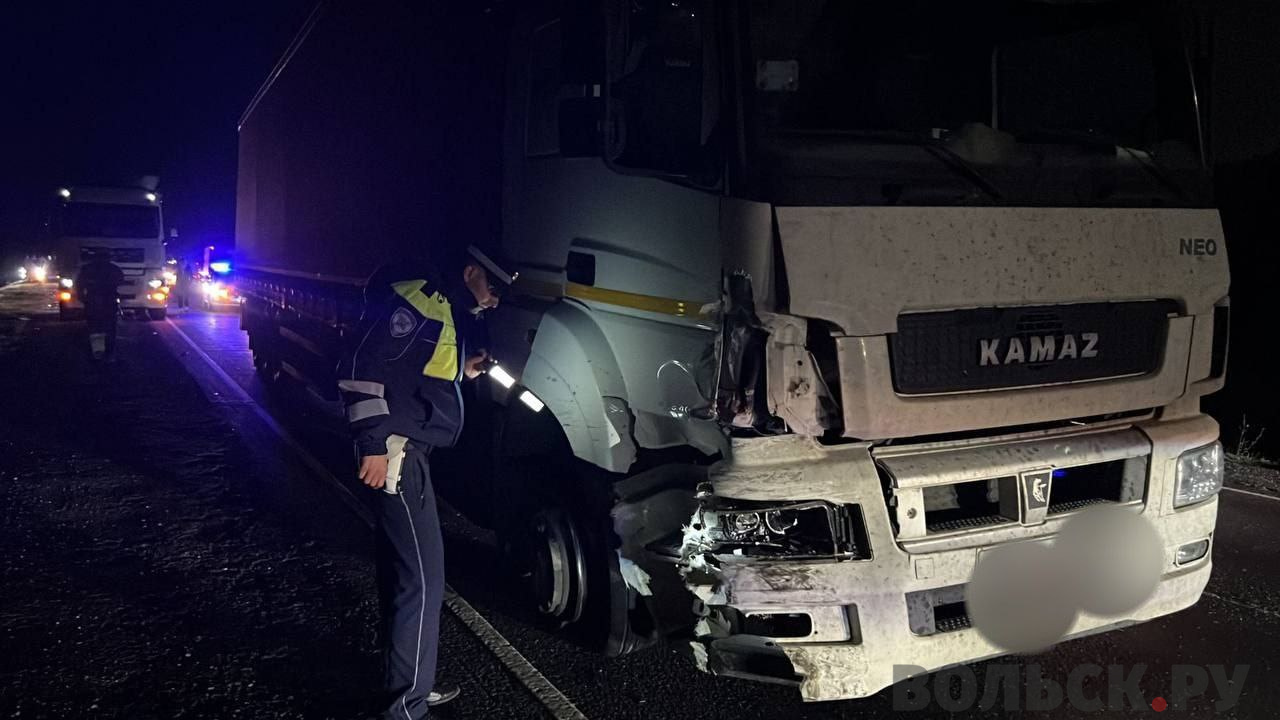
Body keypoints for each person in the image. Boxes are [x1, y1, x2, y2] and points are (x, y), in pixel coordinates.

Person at [337, 244, 515, 719]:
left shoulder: (441, 306)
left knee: (404, 574)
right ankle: (407, 706)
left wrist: (464, 369)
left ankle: (407, 683)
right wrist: (373, 445)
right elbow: (362, 369)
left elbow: (415, 369)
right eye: (491, 287)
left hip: (408, 450)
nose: (494, 300)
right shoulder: (418, 302)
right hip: (398, 453)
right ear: (471, 272)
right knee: (422, 579)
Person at [76, 249, 124, 360]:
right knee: (110, 328)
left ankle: (97, 352)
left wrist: (82, 298)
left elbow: (79, 285)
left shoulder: (87, 269)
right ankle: (109, 353)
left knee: (95, 328)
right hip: (108, 301)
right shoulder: (113, 269)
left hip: (93, 301)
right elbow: (121, 280)